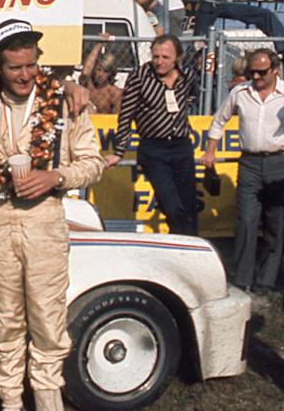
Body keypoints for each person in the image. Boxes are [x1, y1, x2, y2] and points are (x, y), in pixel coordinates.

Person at [0, 19, 104, 411]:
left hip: (45, 220)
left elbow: (93, 162)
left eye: (31, 65)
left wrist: (56, 176)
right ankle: (9, 405)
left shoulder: (66, 103)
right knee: (5, 319)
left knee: (47, 319)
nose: (25, 75)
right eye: (14, 68)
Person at [202, 49, 284, 295]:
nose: (256, 77)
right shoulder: (240, 93)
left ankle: (265, 281)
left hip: (279, 162)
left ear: (275, 71)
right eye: (252, 72)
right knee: (246, 221)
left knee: (276, 224)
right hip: (248, 163)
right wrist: (210, 151)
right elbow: (219, 121)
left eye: (262, 72)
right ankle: (242, 278)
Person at [107, 34, 198, 235]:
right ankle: (182, 243)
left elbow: (192, 95)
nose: (159, 62)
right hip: (154, 148)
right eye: (156, 56)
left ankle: (190, 248)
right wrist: (119, 151)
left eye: (165, 57)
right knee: (171, 205)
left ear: (177, 58)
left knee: (189, 205)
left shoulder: (187, 75)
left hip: (181, 146)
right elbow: (126, 114)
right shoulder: (140, 76)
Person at [79, 34, 122, 113]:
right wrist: (99, 44)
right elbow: (85, 72)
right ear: (94, 69)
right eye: (98, 69)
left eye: (105, 71)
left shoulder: (113, 92)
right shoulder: (88, 85)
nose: (101, 74)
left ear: (110, 74)